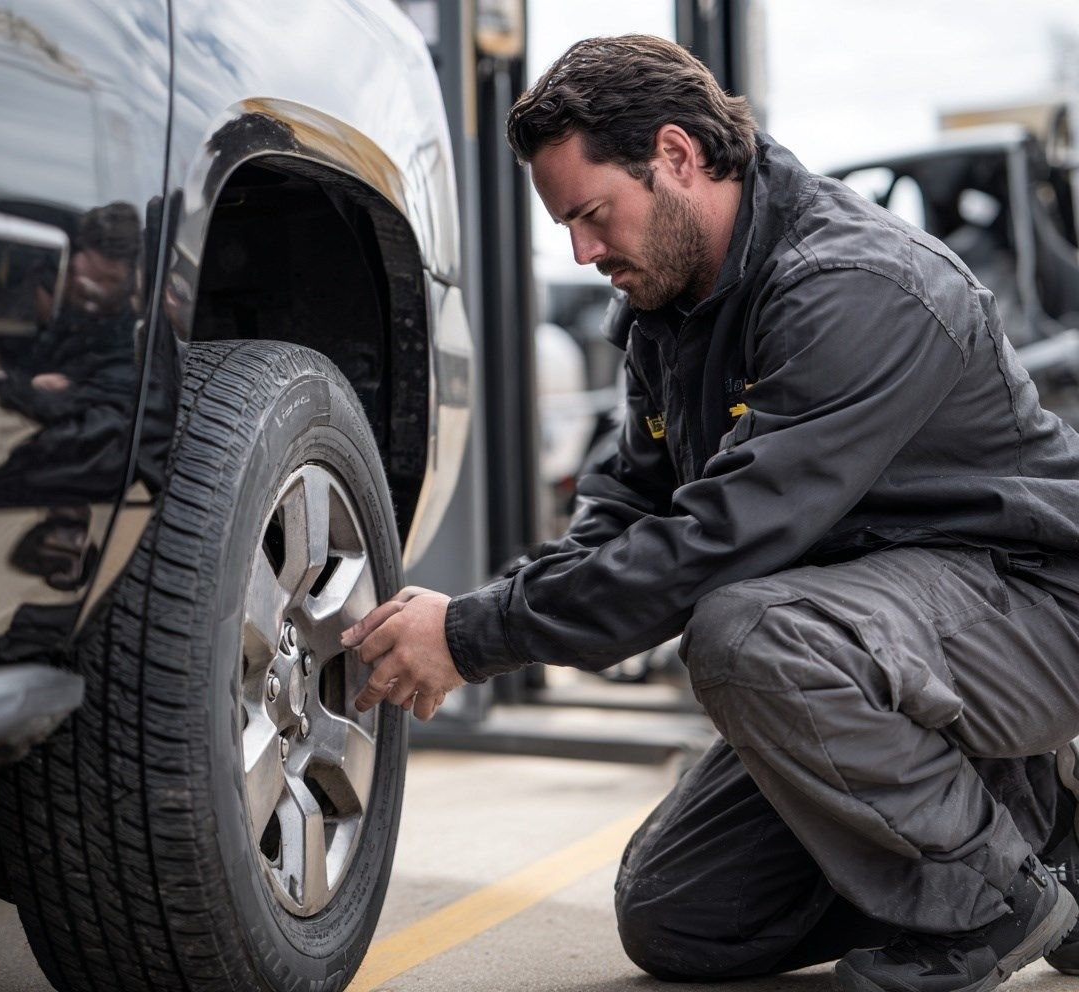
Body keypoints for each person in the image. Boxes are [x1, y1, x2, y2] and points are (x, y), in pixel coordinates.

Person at [340, 35, 1079, 992]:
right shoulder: (669, 309)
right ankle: (1038, 837)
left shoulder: (857, 288)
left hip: (1028, 610)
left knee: (745, 632)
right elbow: (625, 504)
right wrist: (478, 614)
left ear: (677, 154)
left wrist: (473, 637)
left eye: (592, 215)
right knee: (680, 916)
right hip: (881, 636)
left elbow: (721, 540)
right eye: (567, 228)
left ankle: (993, 899)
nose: (584, 253)